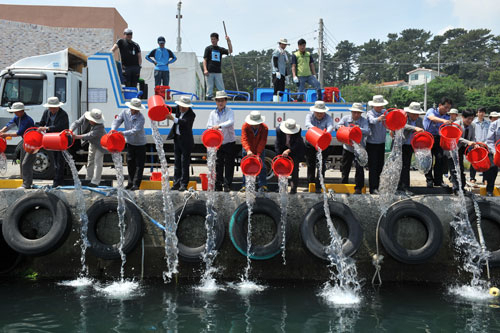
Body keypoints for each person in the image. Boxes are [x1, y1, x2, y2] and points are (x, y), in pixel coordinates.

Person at [111, 98, 146, 190]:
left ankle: (136, 184)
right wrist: (113, 129)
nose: (135, 110)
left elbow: (135, 130)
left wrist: (122, 133)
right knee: (130, 163)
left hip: (140, 143)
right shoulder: (124, 113)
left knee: (139, 165)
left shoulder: (141, 118)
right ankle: (130, 182)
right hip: (130, 142)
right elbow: (117, 121)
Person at [337, 103, 370, 194]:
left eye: (358, 113)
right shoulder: (345, 119)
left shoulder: (364, 121)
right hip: (347, 147)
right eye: (354, 112)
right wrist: (341, 127)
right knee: (345, 166)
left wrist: (359, 129)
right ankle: (344, 184)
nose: (356, 115)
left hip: (359, 147)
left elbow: (367, 131)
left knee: (359, 167)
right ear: (351, 112)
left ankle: (359, 187)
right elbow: (338, 126)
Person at [0, 102, 35, 189]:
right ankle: (24, 181)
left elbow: (19, 133)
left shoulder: (28, 120)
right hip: (25, 141)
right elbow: (9, 125)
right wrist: (2, 131)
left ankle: (27, 184)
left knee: (26, 163)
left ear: (22, 111)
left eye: (16, 111)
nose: (14, 113)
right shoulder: (17, 117)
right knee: (22, 161)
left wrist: (5, 135)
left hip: (32, 142)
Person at [206, 91, 236, 192]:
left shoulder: (230, 111)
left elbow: (230, 122)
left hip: (229, 142)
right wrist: (213, 129)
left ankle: (227, 185)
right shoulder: (212, 113)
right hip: (217, 143)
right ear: (216, 102)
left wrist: (219, 126)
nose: (220, 103)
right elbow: (208, 126)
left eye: (222, 101)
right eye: (218, 101)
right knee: (218, 165)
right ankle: (218, 185)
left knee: (229, 165)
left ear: (226, 101)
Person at [37, 96, 69, 187]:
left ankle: (59, 180)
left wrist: (47, 128)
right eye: (51, 108)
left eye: (54, 108)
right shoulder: (46, 112)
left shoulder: (63, 114)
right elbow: (42, 122)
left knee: (60, 161)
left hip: (60, 139)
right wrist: (37, 127)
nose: (52, 110)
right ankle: (56, 179)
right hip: (50, 139)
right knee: (54, 160)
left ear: (58, 107)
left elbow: (62, 127)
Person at [70, 108, 106, 187]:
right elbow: (77, 123)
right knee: (90, 160)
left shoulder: (100, 126)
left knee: (98, 161)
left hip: (101, 143)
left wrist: (77, 137)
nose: (94, 122)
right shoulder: (85, 116)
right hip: (92, 142)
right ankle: (88, 179)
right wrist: (71, 130)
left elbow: (90, 135)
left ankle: (95, 181)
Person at [166, 96, 196, 191]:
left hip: (186, 141)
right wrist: (161, 106)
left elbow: (184, 122)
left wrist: (172, 119)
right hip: (177, 139)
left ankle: (183, 184)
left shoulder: (191, 114)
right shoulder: (179, 109)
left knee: (184, 163)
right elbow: (169, 108)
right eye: (180, 106)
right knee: (177, 162)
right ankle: (176, 183)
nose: (182, 108)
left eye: (184, 107)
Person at [304, 100, 333, 193]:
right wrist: (317, 132)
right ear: (314, 111)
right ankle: (310, 183)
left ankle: (319, 185)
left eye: (321, 113)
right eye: (318, 112)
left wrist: (325, 133)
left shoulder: (328, 117)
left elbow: (330, 126)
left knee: (321, 165)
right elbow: (308, 124)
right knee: (310, 164)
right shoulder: (309, 115)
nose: (320, 114)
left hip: (323, 144)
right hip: (311, 143)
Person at [423, 97, 453, 188]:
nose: (447, 110)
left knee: (440, 158)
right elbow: (431, 118)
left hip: (439, 138)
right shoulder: (431, 111)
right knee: (428, 160)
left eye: (449, 108)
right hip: (428, 137)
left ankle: (438, 180)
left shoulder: (447, 116)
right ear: (440, 105)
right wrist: (443, 121)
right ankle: (429, 180)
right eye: (445, 107)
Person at [398, 102, 425, 194]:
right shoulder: (403, 118)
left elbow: (422, 129)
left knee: (406, 166)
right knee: (400, 166)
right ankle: (399, 187)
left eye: (417, 114)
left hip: (410, 145)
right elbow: (402, 126)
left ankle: (405, 187)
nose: (416, 116)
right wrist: (414, 128)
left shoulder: (419, 120)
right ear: (409, 113)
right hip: (401, 144)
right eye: (414, 114)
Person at [447, 109, 476, 194]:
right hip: (453, 148)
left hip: (463, 148)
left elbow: (472, 138)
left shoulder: (472, 126)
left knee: (461, 168)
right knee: (454, 169)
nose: (470, 121)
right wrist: (468, 142)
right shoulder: (456, 124)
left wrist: (474, 144)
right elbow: (456, 137)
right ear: (463, 117)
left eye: (472, 119)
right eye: (468, 119)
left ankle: (461, 187)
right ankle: (456, 188)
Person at [275, 118, 305, 194]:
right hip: (282, 149)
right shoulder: (279, 130)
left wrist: (289, 150)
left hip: (294, 150)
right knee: (282, 168)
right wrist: (279, 156)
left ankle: (293, 188)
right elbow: (277, 143)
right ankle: (282, 187)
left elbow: (298, 143)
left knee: (294, 169)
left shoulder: (298, 130)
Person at [240, 111, 268, 192]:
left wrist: (258, 154)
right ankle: (245, 185)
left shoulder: (264, 128)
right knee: (246, 166)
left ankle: (262, 185)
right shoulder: (245, 126)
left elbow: (263, 141)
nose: (255, 125)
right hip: (247, 149)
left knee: (262, 166)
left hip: (259, 149)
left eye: (256, 123)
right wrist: (248, 150)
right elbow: (244, 139)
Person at [366, 95, 388, 194]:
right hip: (372, 144)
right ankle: (373, 187)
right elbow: (372, 121)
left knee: (380, 166)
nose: (379, 108)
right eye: (377, 106)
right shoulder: (370, 113)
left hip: (381, 143)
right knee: (373, 167)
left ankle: (379, 186)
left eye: (381, 106)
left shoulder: (385, 112)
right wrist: (379, 118)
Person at [203, 32, 232, 99]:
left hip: (218, 72)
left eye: (214, 39)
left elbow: (230, 51)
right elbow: (205, 60)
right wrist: (205, 69)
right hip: (209, 72)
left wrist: (228, 41)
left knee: (221, 88)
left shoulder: (220, 49)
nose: (213, 41)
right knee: (209, 88)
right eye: (211, 39)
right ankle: (209, 99)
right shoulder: (208, 48)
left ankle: (222, 99)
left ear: (217, 40)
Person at [470, 107, 490, 185]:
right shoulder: (473, 123)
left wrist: (485, 143)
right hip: (475, 145)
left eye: (483, 112)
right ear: (477, 113)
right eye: (480, 112)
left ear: (485, 113)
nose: (481, 113)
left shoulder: (488, 123)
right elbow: (471, 135)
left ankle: (485, 179)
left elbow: (489, 135)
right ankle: (472, 178)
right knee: (474, 161)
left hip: (485, 145)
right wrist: (476, 144)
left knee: (485, 162)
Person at [485, 115, 500, 196]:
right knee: (493, 167)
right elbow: (490, 140)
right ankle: (489, 190)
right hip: (493, 149)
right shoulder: (494, 124)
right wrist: (494, 152)